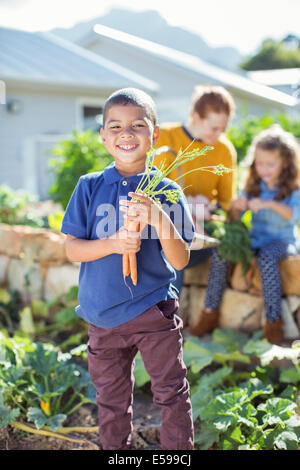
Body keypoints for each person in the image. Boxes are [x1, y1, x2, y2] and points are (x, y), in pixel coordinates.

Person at [61, 88, 195, 450]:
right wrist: (114, 244)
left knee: (171, 394)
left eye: (138, 125)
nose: (127, 133)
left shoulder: (166, 190)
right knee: (112, 403)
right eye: (116, 126)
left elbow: (181, 259)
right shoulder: (89, 187)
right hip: (102, 315)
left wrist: (160, 218)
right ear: (103, 136)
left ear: (155, 135)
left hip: (153, 312)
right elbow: (72, 249)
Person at [190, 125, 300, 345]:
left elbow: (293, 215)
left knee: (267, 258)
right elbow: (235, 218)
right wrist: (237, 208)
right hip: (255, 239)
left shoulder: (292, 188)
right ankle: (209, 312)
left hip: (281, 242)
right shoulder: (254, 185)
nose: (264, 169)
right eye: (260, 164)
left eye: (270, 164)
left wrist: (270, 204)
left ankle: (273, 321)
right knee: (221, 254)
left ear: (285, 163)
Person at [154, 84, 237, 295]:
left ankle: (172, 320)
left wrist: (210, 208)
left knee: (176, 249)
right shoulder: (164, 137)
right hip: (160, 224)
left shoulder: (224, 150)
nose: (219, 135)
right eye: (214, 128)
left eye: (223, 129)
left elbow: (227, 201)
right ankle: (164, 320)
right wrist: (184, 204)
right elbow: (146, 185)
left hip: (199, 228)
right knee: (168, 246)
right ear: (196, 117)